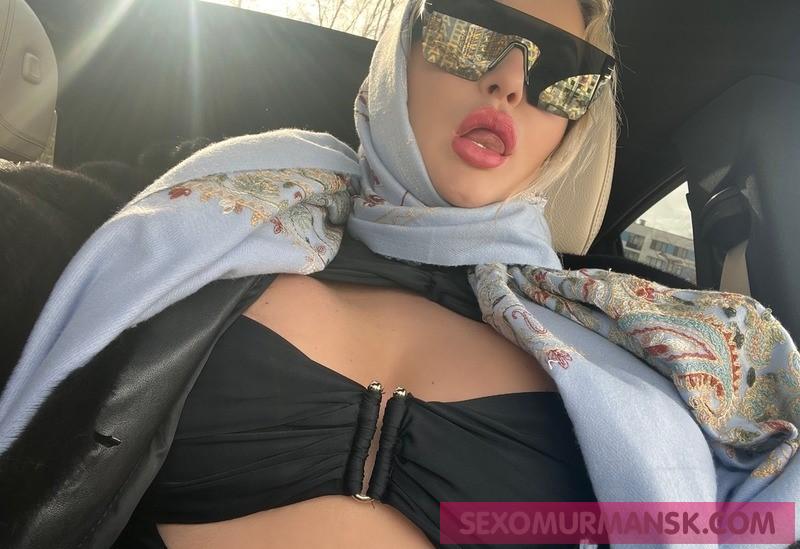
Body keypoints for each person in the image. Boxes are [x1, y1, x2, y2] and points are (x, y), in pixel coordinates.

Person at [3, 0, 798, 548]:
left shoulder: (637, 345)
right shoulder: (207, 212)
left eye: (562, 69)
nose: (509, 80)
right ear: (403, 46)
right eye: (471, 27)